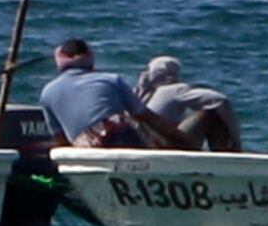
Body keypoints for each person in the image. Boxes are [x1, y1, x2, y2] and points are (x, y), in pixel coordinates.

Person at [36, 39, 191, 149]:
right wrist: (185, 142)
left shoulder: (47, 92)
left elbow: (61, 141)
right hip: (123, 140)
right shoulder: (111, 80)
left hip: (86, 150)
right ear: (90, 58)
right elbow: (148, 118)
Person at [135, 54, 245, 152]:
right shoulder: (174, 90)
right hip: (164, 145)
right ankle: (226, 155)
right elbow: (220, 100)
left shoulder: (141, 94)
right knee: (211, 112)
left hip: (143, 143)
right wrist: (236, 139)